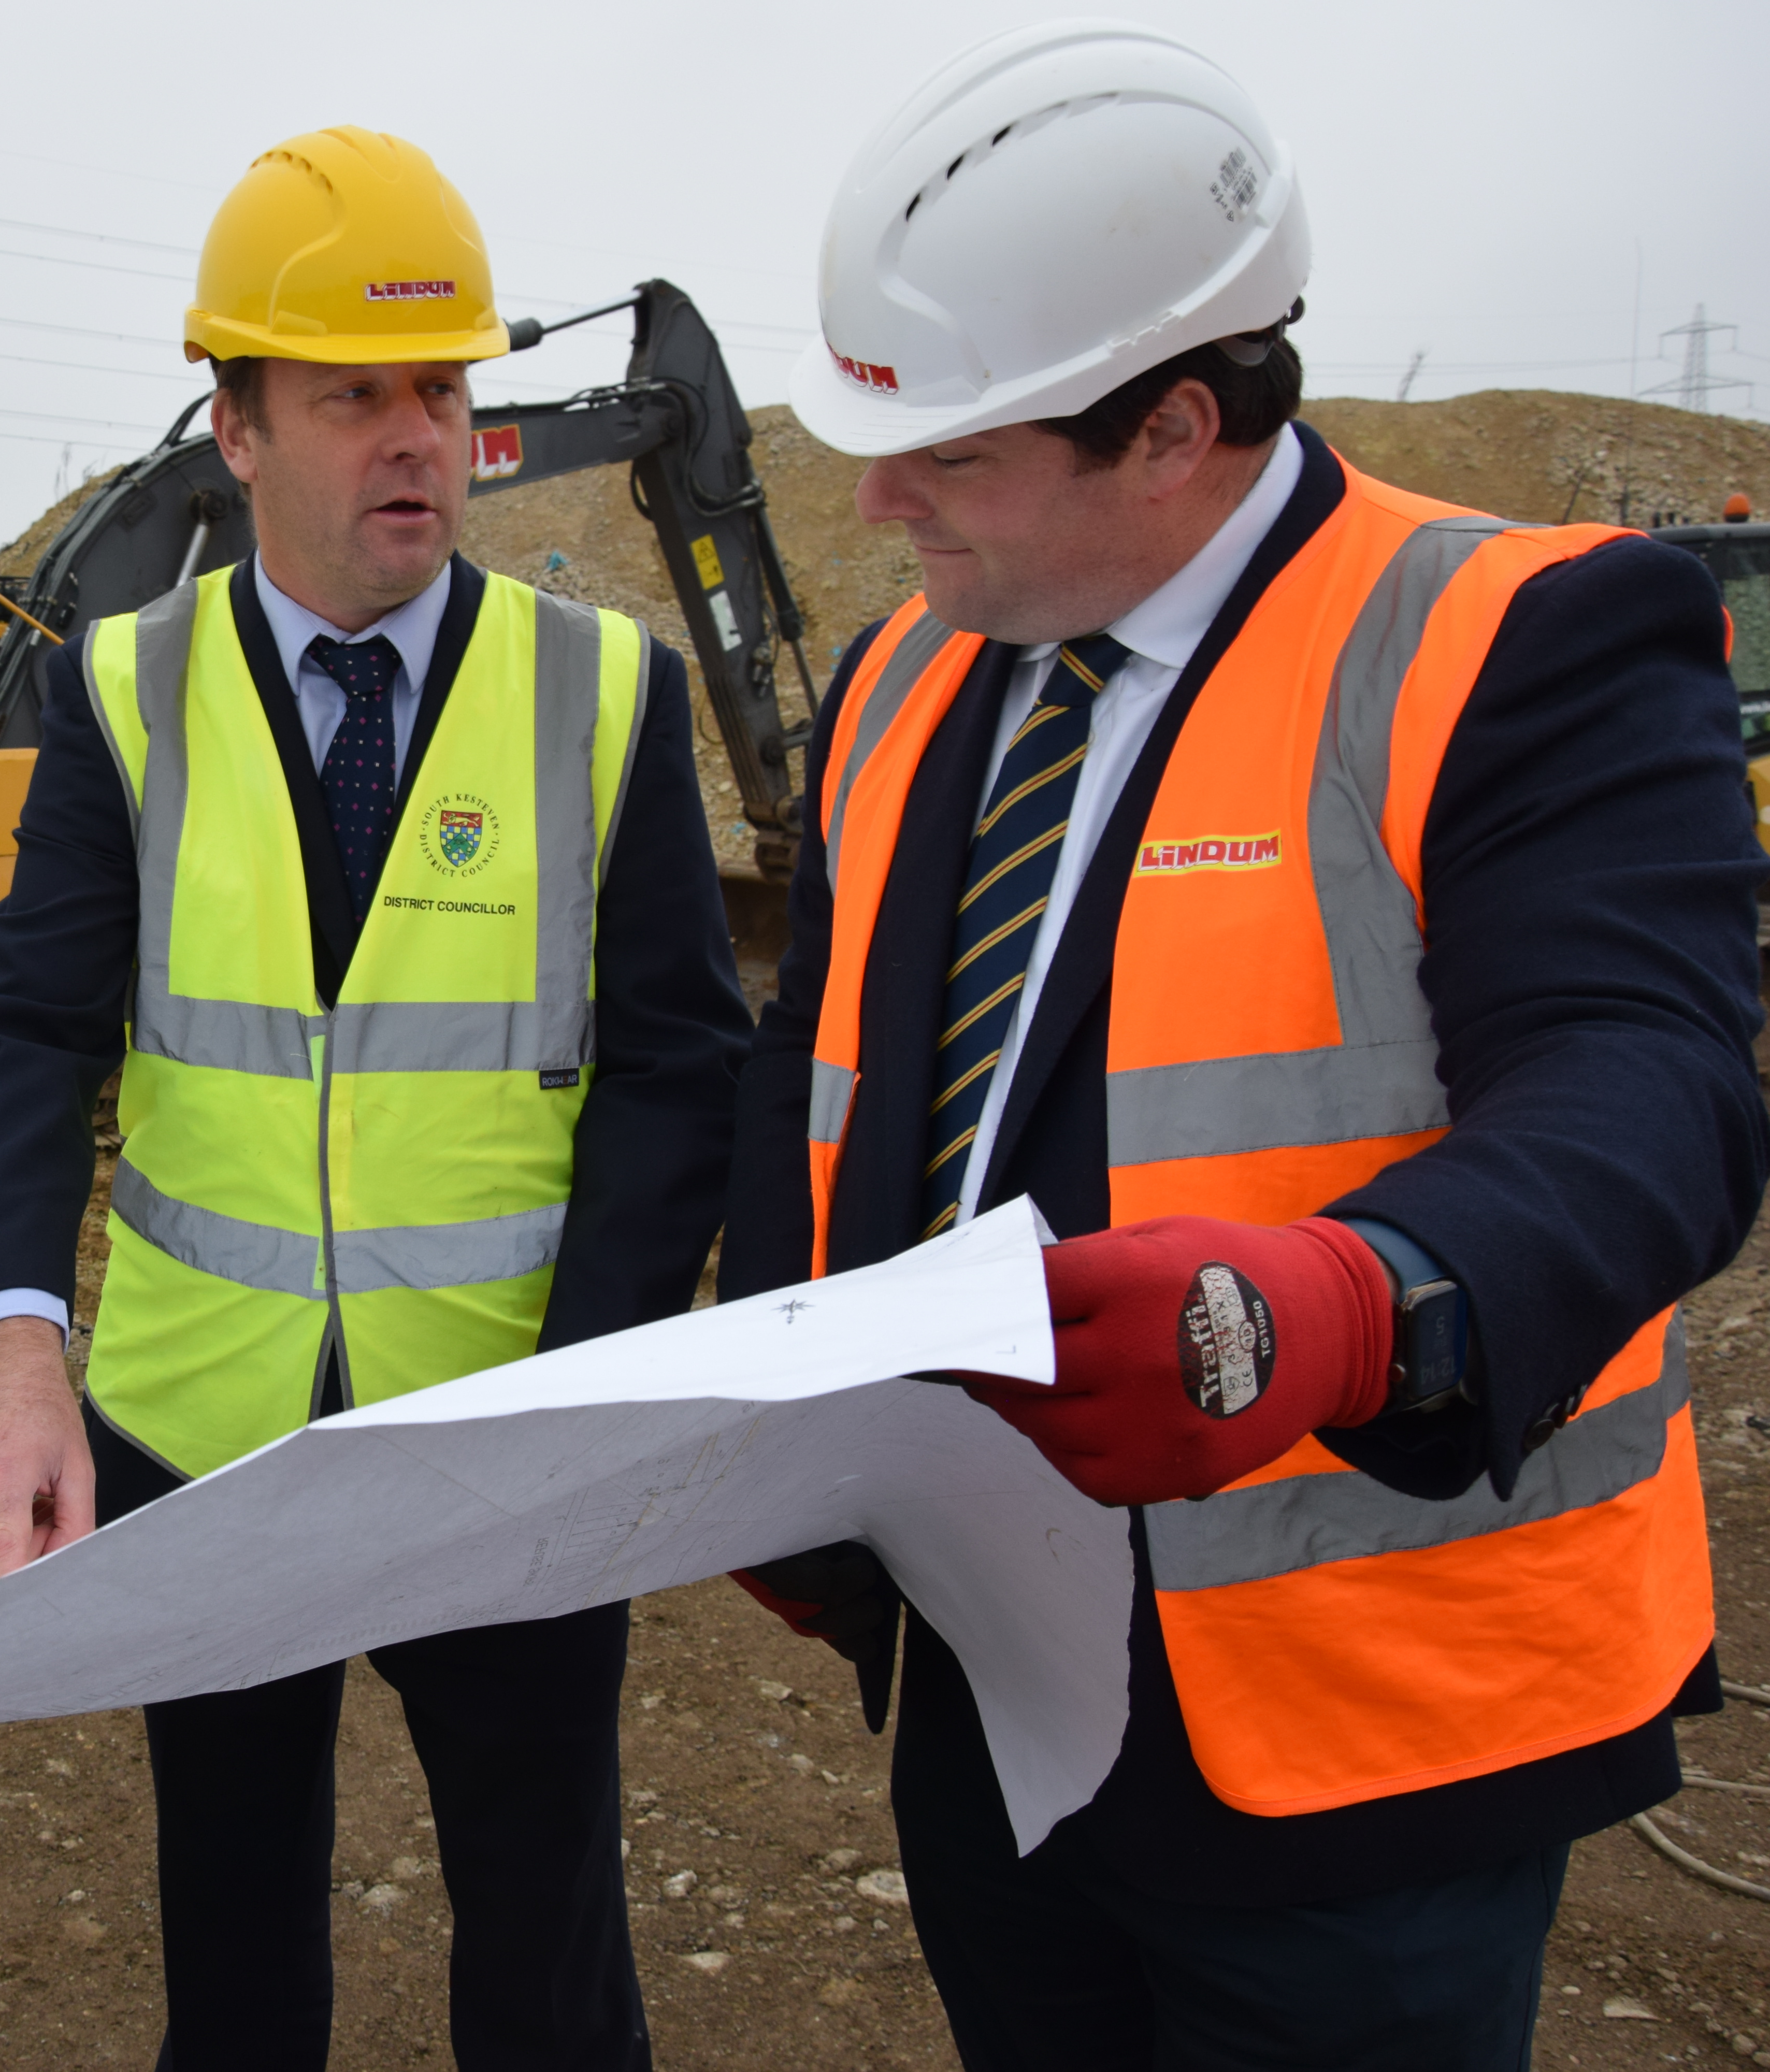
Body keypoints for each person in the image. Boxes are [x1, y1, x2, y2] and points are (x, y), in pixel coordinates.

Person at [723, 24, 1764, 2071]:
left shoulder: (1513, 639)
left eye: (951, 450)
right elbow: (819, 1066)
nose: (875, 496)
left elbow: (1657, 1088)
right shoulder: (906, 677)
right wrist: (779, 1421)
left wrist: (1353, 1299)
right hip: (992, 1699)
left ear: (1177, 429)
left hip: (1364, 1753)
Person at [0, 127, 746, 2070]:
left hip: (511, 1439)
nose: (417, 438)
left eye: (443, 390)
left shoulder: (601, 694)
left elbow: (679, 1066)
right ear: (237, 426)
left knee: (549, 1942)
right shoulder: (120, 693)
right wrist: (12, 1348)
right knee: (234, 1943)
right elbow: (28, 1036)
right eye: (353, 394)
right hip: (208, 1442)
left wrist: (590, 1387)